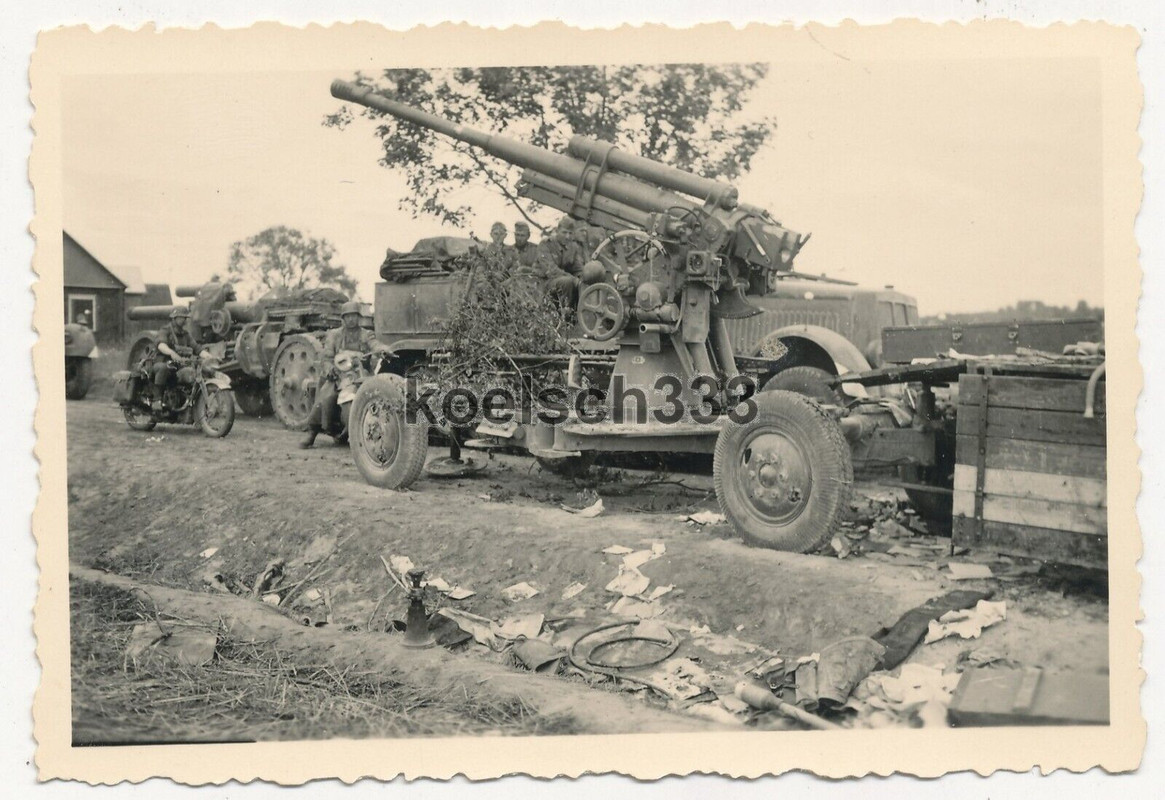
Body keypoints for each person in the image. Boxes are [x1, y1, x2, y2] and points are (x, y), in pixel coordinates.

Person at [300, 300, 380, 449]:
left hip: (360, 374)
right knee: (326, 396)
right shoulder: (334, 335)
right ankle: (312, 433)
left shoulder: (366, 334)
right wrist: (330, 368)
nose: (351, 319)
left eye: (354, 316)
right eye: (347, 316)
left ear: (359, 317)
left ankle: (359, 433)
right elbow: (327, 357)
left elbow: (375, 345)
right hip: (338, 375)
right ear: (343, 318)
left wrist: (382, 349)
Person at [150, 306, 198, 411]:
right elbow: (161, 345)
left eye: (185, 318)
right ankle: (156, 400)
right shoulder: (165, 330)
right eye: (181, 317)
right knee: (164, 368)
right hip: (161, 363)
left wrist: (209, 356)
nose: (184, 320)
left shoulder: (185, 334)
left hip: (178, 365)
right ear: (174, 318)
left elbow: (196, 348)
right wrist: (171, 353)